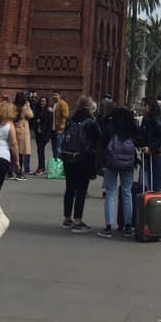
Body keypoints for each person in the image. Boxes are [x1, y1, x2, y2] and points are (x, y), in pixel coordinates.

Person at [61, 95, 101, 233]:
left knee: (70, 188)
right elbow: (99, 139)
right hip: (84, 159)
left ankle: (67, 218)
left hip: (68, 157)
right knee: (81, 190)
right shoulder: (90, 122)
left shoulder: (71, 120)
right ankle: (78, 221)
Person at [97, 106, 138, 238]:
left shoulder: (110, 125)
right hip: (128, 164)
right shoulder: (132, 125)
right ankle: (127, 226)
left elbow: (102, 143)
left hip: (112, 162)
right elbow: (138, 140)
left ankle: (108, 227)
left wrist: (101, 162)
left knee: (110, 193)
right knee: (127, 192)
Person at [137, 96, 161, 236]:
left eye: (145, 105)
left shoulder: (156, 120)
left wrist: (150, 148)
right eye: (142, 105)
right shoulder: (145, 120)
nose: (143, 108)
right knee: (144, 189)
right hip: (147, 158)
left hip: (157, 158)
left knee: (156, 191)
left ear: (151, 107)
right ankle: (148, 223)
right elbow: (142, 136)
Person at [13, 92, 34, 178]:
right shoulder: (24, 107)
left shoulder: (14, 106)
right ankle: (19, 172)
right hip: (22, 130)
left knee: (14, 151)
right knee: (20, 153)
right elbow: (31, 115)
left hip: (15, 128)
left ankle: (11, 171)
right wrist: (28, 106)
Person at [32, 95, 52, 174]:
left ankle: (41, 167)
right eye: (41, 101)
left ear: (46, 102)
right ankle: (41, 167)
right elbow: (34, 120)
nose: (42, 103)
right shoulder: (38, 110)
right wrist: (36, 122)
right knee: (39, 150)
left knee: (41, 150)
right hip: (38, 133)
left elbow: (50, 125)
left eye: (44, 101)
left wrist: (47, 136)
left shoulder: (48, 111)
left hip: (44, 134)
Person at [50, 91, 69, 160]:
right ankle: (56, 164)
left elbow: (65, 117)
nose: (54, 96)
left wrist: (61, 128)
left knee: (59, 148)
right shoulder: (53, 104)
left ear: (59, 95)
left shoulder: (63, 104)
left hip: (59, 130)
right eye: (53, 95)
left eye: (56, 95)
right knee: (54, 148)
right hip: (53, 129)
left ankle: (60, 165)